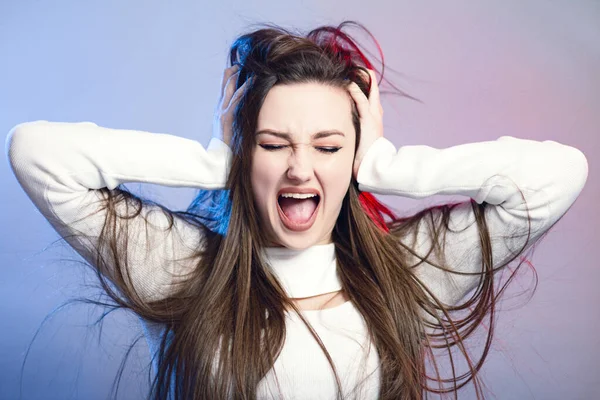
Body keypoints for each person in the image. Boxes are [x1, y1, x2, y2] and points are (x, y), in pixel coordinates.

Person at [5, 20, 588, 400]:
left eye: (329, 147)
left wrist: (385, 163)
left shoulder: (408, 270)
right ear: (246, 149)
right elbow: (37, 153)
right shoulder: (181, 266)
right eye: (273, 143)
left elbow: (557, 175)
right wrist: (215, 159)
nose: (300, 169)